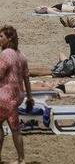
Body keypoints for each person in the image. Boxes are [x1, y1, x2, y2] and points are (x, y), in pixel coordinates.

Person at [0, 26, 33, 164]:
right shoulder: (21, 55)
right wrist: (30, 97)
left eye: (1, 36)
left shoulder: (6, 53)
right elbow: (26, 78)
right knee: (15, 129)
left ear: (10, 38)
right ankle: (21, 159)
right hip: (17, 97)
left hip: (4, 97)